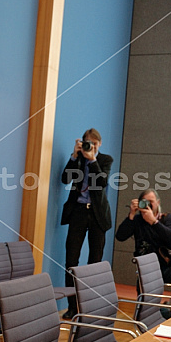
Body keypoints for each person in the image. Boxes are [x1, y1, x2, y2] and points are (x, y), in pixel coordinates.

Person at [60, 128, 113, 319]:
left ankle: (90, 308)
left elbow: (101, 182)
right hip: (78, 213)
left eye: (94, 144)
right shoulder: (78, 159)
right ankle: (72, 307)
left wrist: (92, 160)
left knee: (94, 263)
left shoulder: (105, 160)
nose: (91, 147)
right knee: (71, 261)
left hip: (98, 214)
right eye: (87, 143)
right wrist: (75, 156)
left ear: (99, 145)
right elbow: (65, 178)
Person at [115, 189, 171, 285]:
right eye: (144, 202)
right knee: (144, 295)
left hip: (165, 265)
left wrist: (154, 222)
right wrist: (131, 215)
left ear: (158, 202)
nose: (148, 205)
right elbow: (120, 237)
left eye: (151, 202)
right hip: (145, 267)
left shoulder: (167, 218)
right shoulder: (137, 220)